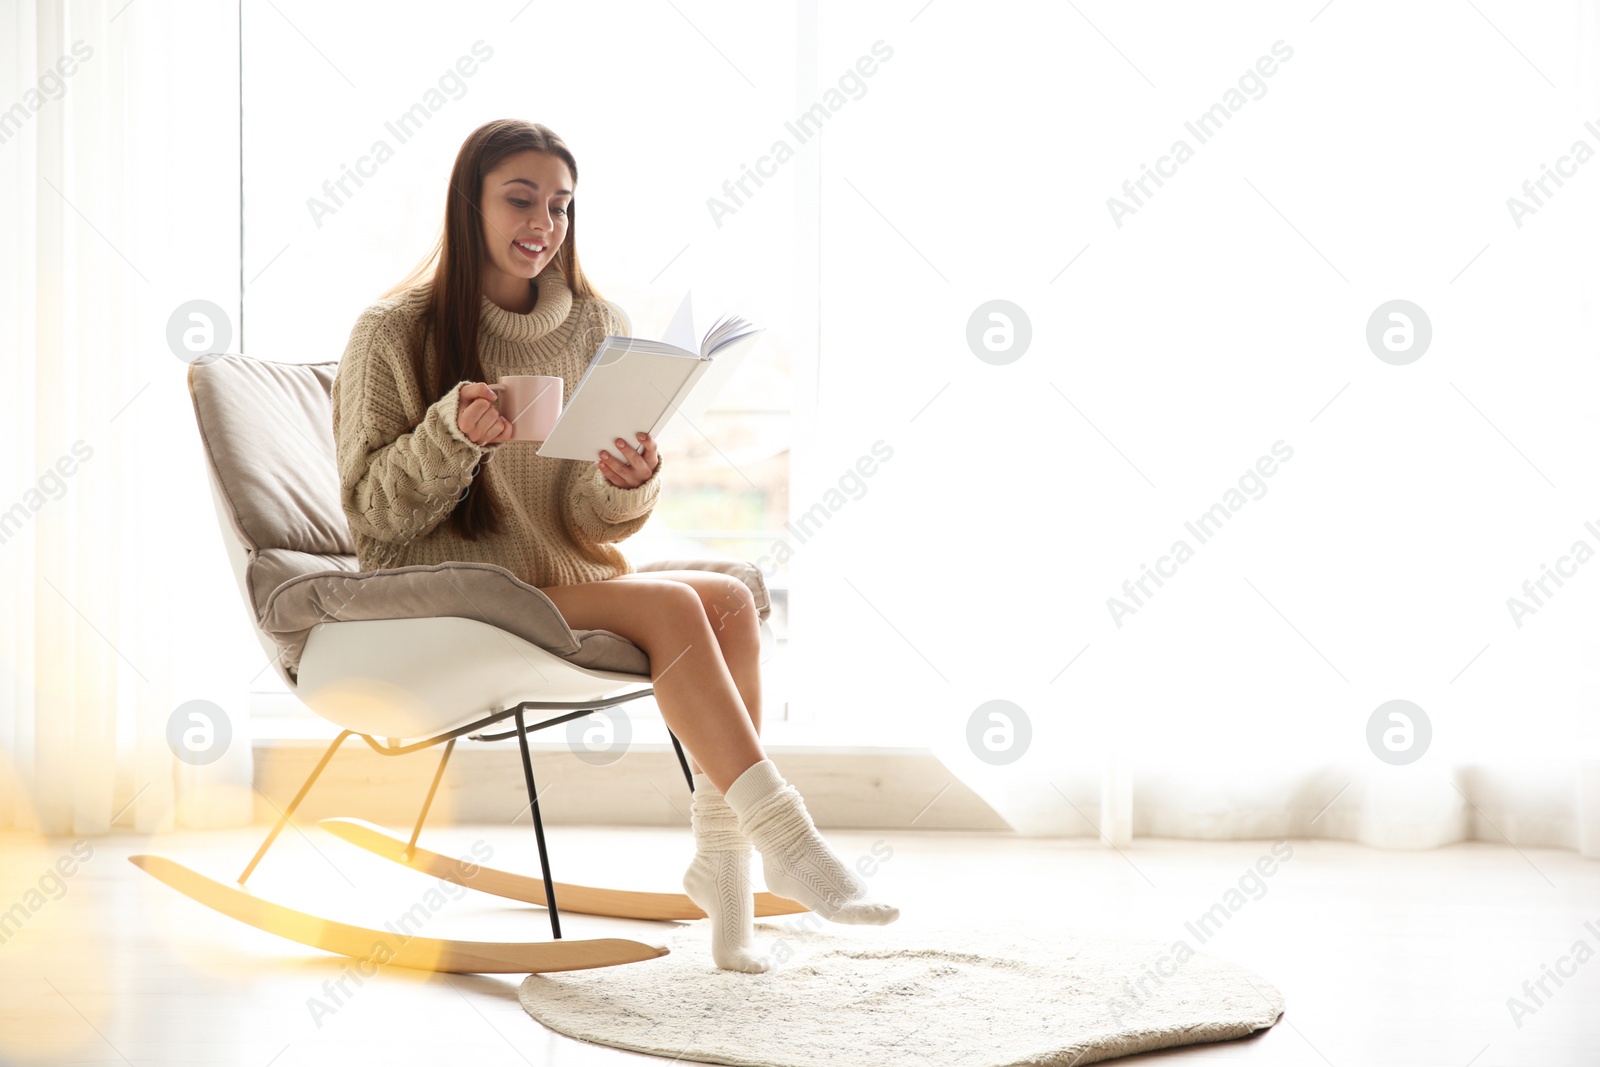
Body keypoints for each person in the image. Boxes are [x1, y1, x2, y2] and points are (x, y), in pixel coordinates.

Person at [330, 118, 897, 973]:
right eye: (520, 199)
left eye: (560, 205)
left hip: (556, 579)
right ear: (468, 204)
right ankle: (789, 838)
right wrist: (453, 433)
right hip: (452, 593)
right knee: (673, 602)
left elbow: (590, 522)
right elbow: (373, 519)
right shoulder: (393, 332)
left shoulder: (596, 323)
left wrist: (627, 477)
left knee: (731, 593)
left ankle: (725, 871)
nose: (543, 224)